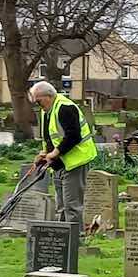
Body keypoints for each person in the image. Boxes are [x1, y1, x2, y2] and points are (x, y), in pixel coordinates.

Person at [30, 81, 97, 228]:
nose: (37, 104)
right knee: (61, 206)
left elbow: (73, 136)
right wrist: (44, 154)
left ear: (48, 96)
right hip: (59, 163)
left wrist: (55, 152)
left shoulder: (65, 108)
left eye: (38, 100)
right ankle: (61, 239)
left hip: (75, 162)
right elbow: (50, 137)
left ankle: (76, 242)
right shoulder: (46, 111)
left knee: (72, 205)